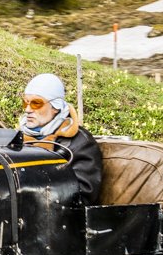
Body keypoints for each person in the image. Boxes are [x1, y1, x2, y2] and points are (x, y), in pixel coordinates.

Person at [13, 72, 102, 202]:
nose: (27, 110)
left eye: (36, 103)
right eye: (25, 103)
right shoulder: (17, 137)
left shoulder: (80, 144)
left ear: (56, 107)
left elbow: (81, 198)